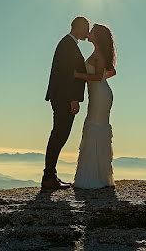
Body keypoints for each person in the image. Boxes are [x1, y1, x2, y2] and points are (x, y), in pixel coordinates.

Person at [42, 16, 90, 189]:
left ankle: (50, 175)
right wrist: (73, 99)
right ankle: (48, 177)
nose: (88, 32)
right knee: (59, 135)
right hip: (63, 98)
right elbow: (67, 75)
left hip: (61, 96)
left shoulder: (68, 44)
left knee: (59, 135)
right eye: (86, 29)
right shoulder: (68, 45)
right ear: (78, 27)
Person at [71, 23, 117, 189]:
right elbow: (110, 73)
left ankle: (93, 178)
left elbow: (97, 76)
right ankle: (100, 176)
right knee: (97, 128)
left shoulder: (98, 55)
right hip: (101, 95)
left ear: (96, 36)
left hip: (99, 97)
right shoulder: (99, 53)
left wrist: (78, 75)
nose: (88, 33)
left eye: (92, 31)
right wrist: (101, 80)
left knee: (94, 127)